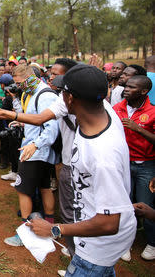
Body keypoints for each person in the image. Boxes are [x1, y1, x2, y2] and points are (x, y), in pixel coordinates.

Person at [28, 64, 136, 277]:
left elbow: (108, 223)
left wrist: (55, 228)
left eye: (63, 93)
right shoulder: (104, 114)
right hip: (98, 235)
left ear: (69, 99)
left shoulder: (103, 154)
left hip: (97, 247)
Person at [0, 64, 59, 247]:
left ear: (31, 77)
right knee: (44, 186)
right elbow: (36, 119)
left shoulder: (45, 95)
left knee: (23, 190)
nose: (19, 86)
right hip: (39, 150)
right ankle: (49, 227)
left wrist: (35, 144)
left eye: (21, 82)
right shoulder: (34, 92)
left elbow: (52, 128)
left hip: (35, 151)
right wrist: (23, 124)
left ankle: (24, 234)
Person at [113, 75, 155, 261]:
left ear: (144, 91)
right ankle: (124, 243)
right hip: (123, 164)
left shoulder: (153, 112)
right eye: (126, 86)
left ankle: (152, 243)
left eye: (131, 87)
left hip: (146, 165)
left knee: (146, 206)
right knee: (125, 205)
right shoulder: (117, 108)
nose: (126, 89)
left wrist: (138, 129)